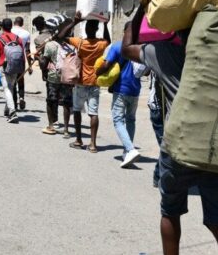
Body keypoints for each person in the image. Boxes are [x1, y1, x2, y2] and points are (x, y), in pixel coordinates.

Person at [121, 19, 218, 255]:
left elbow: (127, 48)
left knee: (171, 210)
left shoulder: (164, 52)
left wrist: (136, 16)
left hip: (179, 146)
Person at [55, 12, 110, 153]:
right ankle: (93, 144)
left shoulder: (80, 43)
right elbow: (108, 40)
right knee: (93, 113)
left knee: (78, 111)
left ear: (86, 29)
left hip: (80, 82)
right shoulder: (100, 44)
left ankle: (79, 140)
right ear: (96, 29)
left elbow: (60, 37)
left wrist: (75, 21)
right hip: (95, 82)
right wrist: (105, 24)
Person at [97, 40, 142, 168]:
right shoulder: (139, 47)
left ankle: (130, 149)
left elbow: (106, 65)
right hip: (136, 89)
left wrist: (97, 73)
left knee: (117, 119)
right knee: (131, 120)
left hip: (121, 88)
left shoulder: (118, 46)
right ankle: (127, 152)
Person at [39, 17, 73, 137]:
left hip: (53, 77)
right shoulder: (70, 46)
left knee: (51, 100)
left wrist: (40, 58)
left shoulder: (50, 45)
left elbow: (44, 64)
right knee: (66, 103)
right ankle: (66, 130)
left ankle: (51, 125)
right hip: (67, 77)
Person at [0, 18, 25, 123]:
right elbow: (22, 55)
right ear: (11, 26)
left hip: (4, 67)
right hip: (16, 67)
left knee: (7, 89)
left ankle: (13, 112)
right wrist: (22, 69)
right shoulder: (18, 38)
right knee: (11, 87)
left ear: (2, 27)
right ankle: (8, 109)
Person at [11, 17, 32, 110]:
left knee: (12, 80)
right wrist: (30, 65)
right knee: (20, 79)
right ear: (22, 23)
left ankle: (14, 103)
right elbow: (27, 50)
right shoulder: (26, 33)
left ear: (14, 23)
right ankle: (21, 97)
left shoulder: (9, 31)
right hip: (21, 58)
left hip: (10, 57)